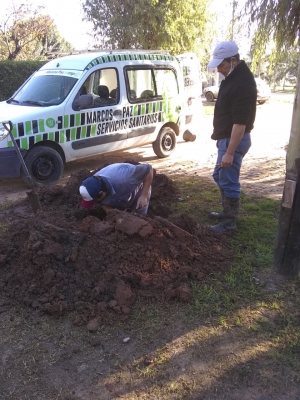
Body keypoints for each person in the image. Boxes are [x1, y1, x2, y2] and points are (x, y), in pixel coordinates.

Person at [207, 41, 257, 233]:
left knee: (228, 180)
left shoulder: (242, 83)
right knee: (219, 175)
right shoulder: (233, 76)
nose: (219, 69)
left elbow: (240, 123)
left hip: (233, 140)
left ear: (233, 60)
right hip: (226, 139)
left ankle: (229, 223)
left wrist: (229, 152)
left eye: (222, 65)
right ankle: (226, 211)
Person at [79, 163, 153, 215]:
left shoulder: (126, 178)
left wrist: (144, 195)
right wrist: (116, 216)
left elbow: (148, 169)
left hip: (138, 189)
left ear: (101, 193)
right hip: (118, 192)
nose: (95, 202)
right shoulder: (94, 183)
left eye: (95, 200)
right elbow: (101, 203)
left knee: (139, 219)